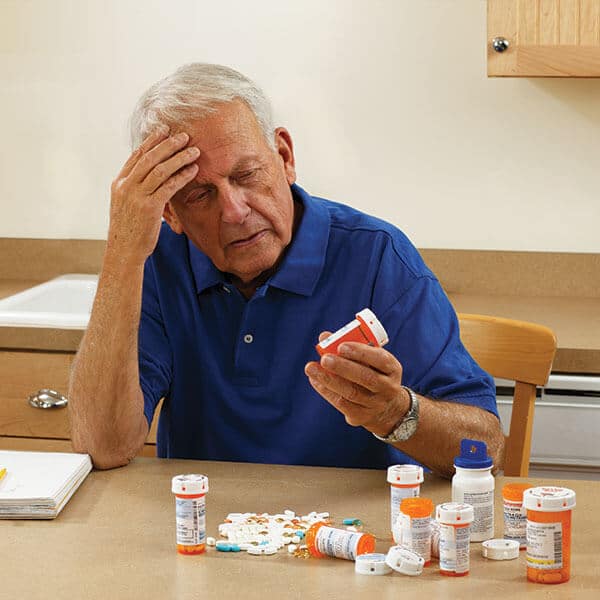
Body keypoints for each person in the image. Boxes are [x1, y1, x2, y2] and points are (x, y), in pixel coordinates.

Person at [69, 63, 504, 477]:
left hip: (349, 541)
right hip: (201, 535)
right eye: (201, 195)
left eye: (247, 174)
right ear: (170, 211)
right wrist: (121, 256)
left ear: (284, 155)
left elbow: (485, 447)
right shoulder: (156, 262)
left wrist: (396, 413)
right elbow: (103, 446)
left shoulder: (377, 256)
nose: (235, 212)